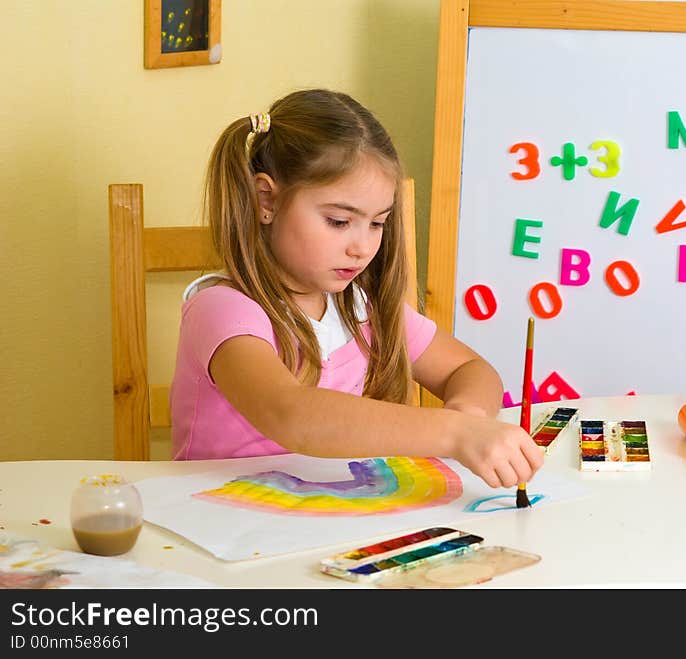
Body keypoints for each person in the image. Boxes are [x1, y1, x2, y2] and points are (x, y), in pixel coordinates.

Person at [170, 88, 543, 489]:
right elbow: (291, 414)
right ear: (267, 200)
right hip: (222, 527)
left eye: (377, 223)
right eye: (338, 221)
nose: (361, 247)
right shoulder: (222, 310)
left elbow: (470, 369)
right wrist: (453, 432)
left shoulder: (357, 308)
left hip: (331, 522)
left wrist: (469, 415)